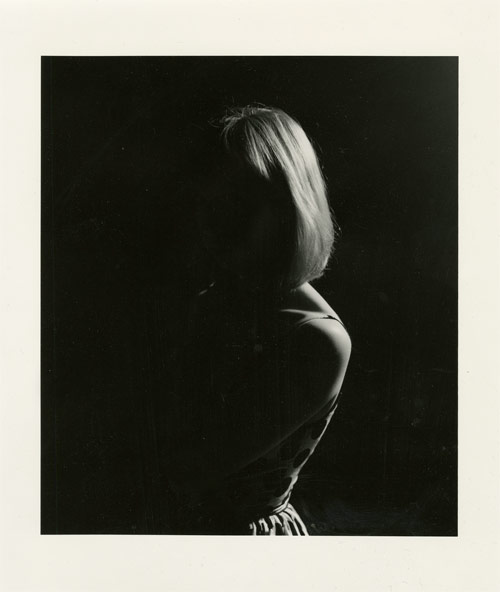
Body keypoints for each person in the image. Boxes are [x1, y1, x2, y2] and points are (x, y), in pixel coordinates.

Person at [165, 105, 351, 535]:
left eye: (241, 203)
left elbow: (188, 470)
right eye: (209, 199)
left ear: (290, 207)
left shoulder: (317, 337)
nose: (214, 221)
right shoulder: (212, 298)